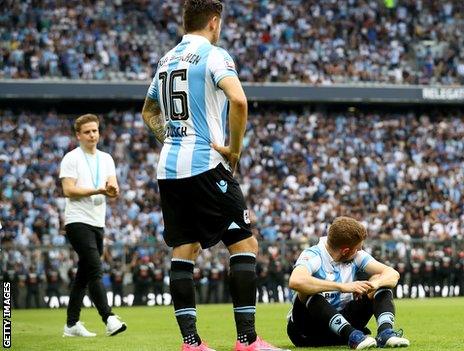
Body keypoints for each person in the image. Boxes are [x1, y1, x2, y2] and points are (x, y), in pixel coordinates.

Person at [141, 1, 285, 350]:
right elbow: (239, 101)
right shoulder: (215, 54)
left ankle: (191, 343)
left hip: (169, 167)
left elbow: (148, 112)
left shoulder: (165, 60)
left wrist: (173, 138)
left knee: (184, 249)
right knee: (244, 243)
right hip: (205, 164)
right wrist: (234, 150)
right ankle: (247, 340)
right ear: (214, 22)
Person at [287, 216, 410, 349]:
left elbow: (393, 274)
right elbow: (295, 281)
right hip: (308, 332)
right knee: (305, 292)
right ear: (346, 251)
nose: (360, 251)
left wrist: (374, 285)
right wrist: (342, 287)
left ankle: (385, 333)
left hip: (342, 325)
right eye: (358, 248)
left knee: (380, 280)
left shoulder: (356, 255)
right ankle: (352, 336)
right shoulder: (314, 255)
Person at [59, 113, 127, 337]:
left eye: (95, 131)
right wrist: (98, 190)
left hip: (98, 222)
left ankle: (71, 325)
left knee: (84, 275)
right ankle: (109, 318)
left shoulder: (107, 158)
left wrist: (112, 190)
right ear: (78, 135)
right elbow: (68, 190)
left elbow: (112, 187)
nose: (92, 135)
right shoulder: (71, 158)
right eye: (87, 132)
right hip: (77, 221)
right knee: (96, 269)